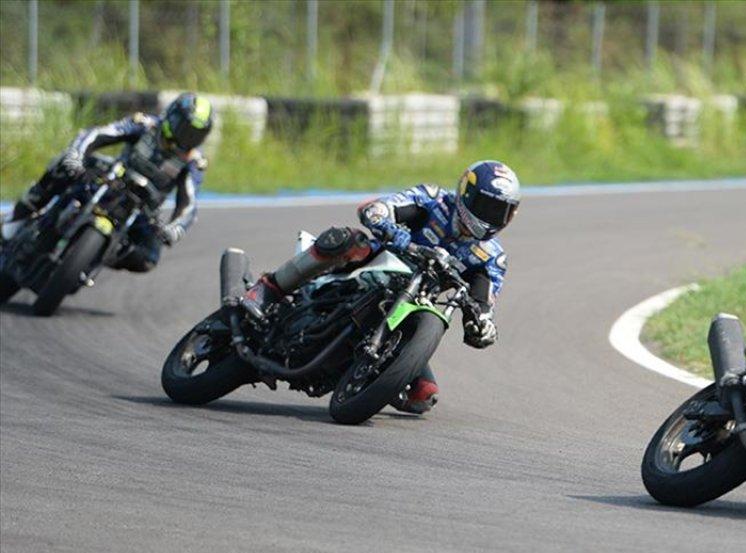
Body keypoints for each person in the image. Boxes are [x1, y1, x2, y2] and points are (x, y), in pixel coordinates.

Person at [239, 160, 519, 414]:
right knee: (346, 239)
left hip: (411, 305)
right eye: (487, 206)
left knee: (423, 395)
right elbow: (376, 208)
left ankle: (369, 372)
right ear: (466, 193)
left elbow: (483, 304)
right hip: (377, 265)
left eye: (501, 211)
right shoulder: (434, 200)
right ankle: (269, 289)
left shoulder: (491, 258)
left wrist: (482, 325)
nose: (492, 215)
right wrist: (388, 226)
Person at [2, 92, 212, 272]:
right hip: (110, 181)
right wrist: (76, 154)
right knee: (64, 167)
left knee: (148, 258)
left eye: (196, 135)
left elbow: (189, 203)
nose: (188, 138)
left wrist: (175, 228)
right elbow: (98, 134)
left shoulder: (193, 162)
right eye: (185, 129)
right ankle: (16, 219)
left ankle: (99, 255)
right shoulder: (145, 124)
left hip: (142, 210)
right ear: (172, 117)